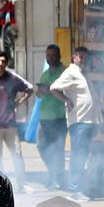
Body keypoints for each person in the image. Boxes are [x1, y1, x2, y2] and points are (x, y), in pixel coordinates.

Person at [50, 46, 102, 197]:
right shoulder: (71, 72)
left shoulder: (83, 74)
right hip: (79, 122)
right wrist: (66, 100)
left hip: (88, 121)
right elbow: (54, 88)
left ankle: (79, 188)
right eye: (81, 57)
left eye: (86, 57)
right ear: (74, 57)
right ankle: (74, 190)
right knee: (78, 156)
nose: (84, 60)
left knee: (83, 156)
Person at [0, 51, 34, 193]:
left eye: (3, 61)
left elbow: (30, 89)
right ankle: (1, 187)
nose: (1, 64)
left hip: (10, 124)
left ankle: (22, 185)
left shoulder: (13, 78)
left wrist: (18, 102)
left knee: (17, 154)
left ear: (7, 63)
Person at [35, 44, 68, 190]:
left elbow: (66, 91)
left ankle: (59, 179)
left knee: (58, 149)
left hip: (59, 118)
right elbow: (40, 93)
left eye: (53, 55)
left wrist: (49, 89)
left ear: (59, 56)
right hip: (45, 117)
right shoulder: (45, 74)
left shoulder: (65, 72)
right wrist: (39, 92)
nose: (50, 58)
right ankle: (53, 172)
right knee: (42, 146)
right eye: (48, 56)